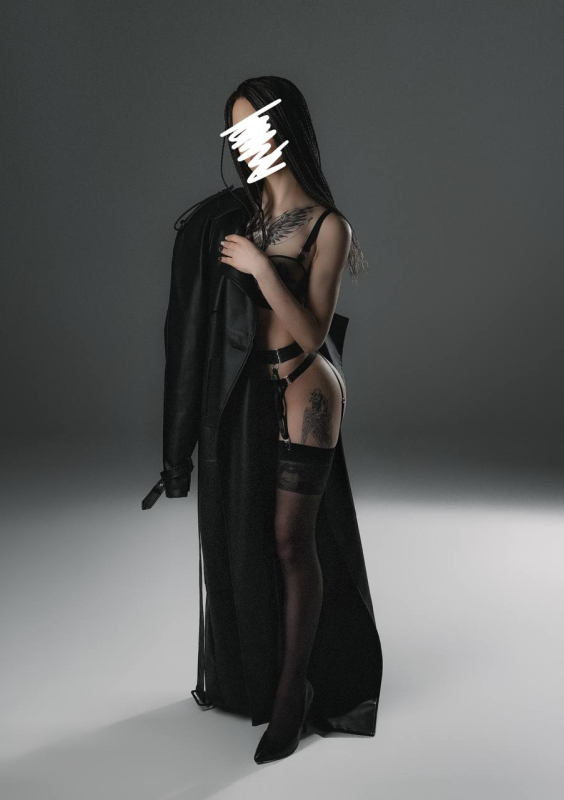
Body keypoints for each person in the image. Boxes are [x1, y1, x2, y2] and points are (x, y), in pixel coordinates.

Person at [142, 76, 383, 765]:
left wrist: (259, 266)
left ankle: (292, 695)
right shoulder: (237, 215)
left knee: (291, 543)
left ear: (284, 130)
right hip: (249, 392)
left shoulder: (327, 226)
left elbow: (311, 330)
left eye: (256, 125)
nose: (244, 141)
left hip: (306, 387)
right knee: (247, 535)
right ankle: (263, 671)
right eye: (235, 129)